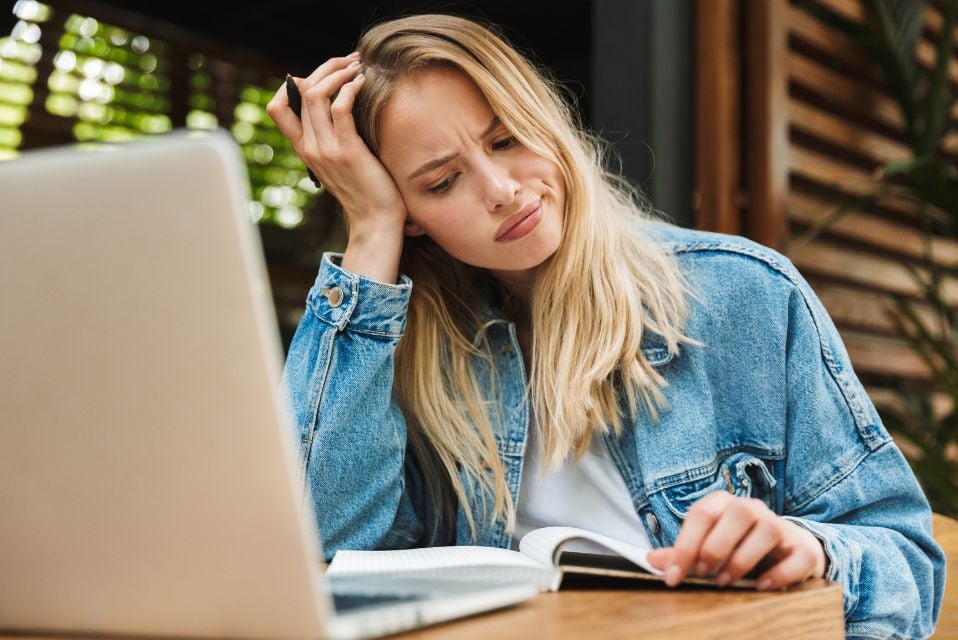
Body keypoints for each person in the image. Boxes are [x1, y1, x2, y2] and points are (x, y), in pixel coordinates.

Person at [268, 14, 944, 639]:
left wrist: (812, 551)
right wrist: (372, 230)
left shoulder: (740, 295)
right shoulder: (409, 358)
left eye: (507, 138)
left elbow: (908, 561)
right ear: (411, 213)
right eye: (442, 182)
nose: (502, 188)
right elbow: (317, 552)